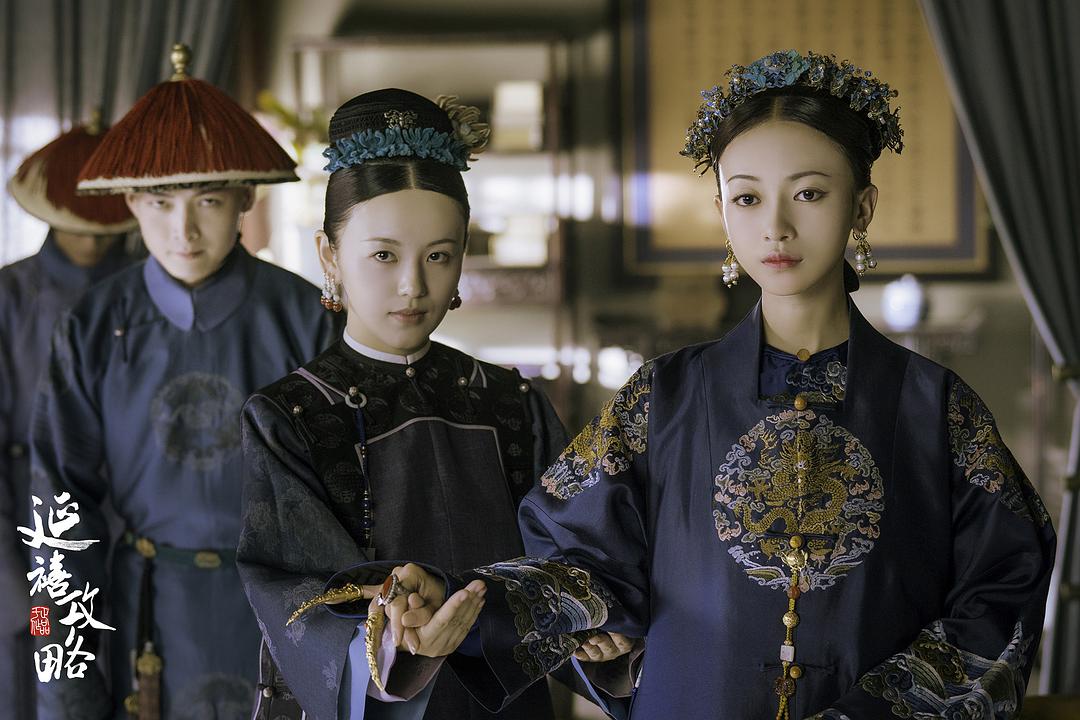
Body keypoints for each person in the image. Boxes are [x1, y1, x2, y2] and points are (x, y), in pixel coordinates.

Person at [345, 50, 1057, 719]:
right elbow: (580, 565)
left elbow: (1000, 597)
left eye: (809, 193)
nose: (775, 226)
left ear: (862, 207)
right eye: (746, 198)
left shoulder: (939, 410)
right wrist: (464, 600)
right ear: (721, 210)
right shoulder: (662, 398)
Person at [236, 88, 627, 720]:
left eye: (438, 256)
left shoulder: (512, 403)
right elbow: (294, 594)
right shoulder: (290, 416)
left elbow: (574, 560)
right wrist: (396, 648)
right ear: (329, 255)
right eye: (383, 255)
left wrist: (598, 645)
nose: (413, 285)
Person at [28, 44, 340, 719]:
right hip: (144, 610)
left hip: (288, 609)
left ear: (245, 197)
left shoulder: (307, 317)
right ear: (131, 201)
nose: (184, 230)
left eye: (209, 200)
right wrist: (62, 686)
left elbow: (352, 501)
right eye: (160, 201)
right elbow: (55, 518)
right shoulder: (93, 325)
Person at [1, 117, 141, 720]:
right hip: (31, 524)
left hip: (131, 517)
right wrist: (11, 581)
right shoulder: (9, 297)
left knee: (138, 675)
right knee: (40, 670)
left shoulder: (145, 290)